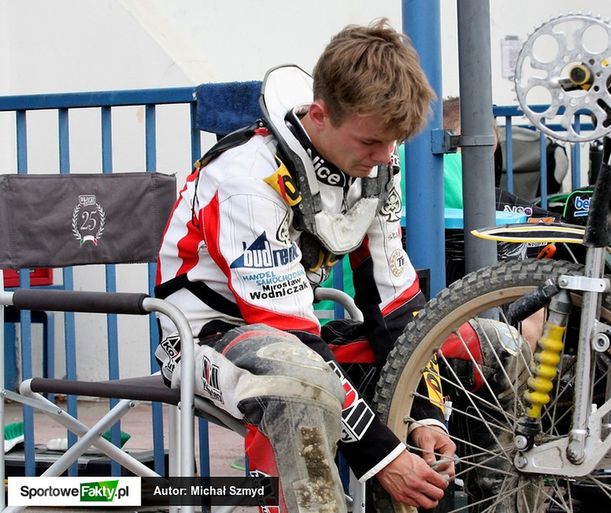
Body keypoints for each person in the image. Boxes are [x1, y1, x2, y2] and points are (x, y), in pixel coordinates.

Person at [154, 19, 455, 512]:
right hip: (201, 340)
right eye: (371, 143)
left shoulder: (378, 158)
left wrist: (426, 414)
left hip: (296, 336)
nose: (384, 157)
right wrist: (383, 457)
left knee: (481, 344)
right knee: (300, 384)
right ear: (319, 115)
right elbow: (291, 341)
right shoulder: (247, 179)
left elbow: (397, 304)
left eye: (393, 142)